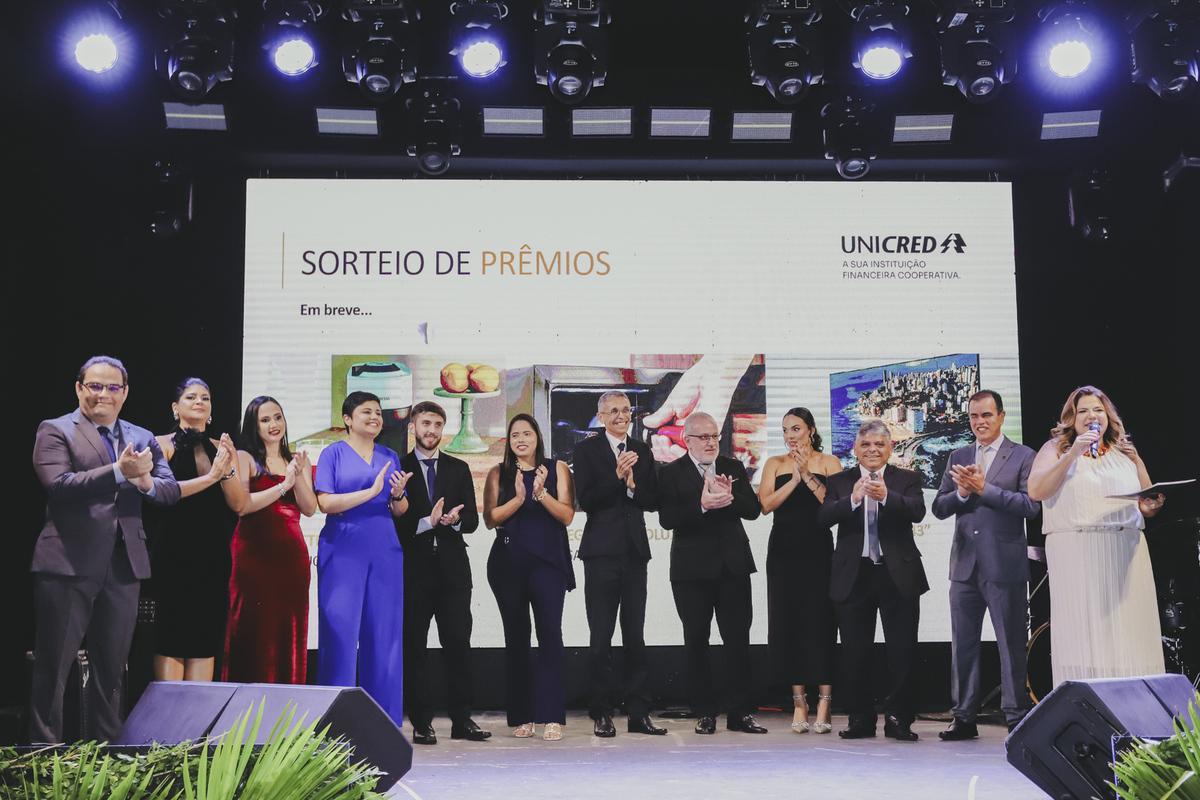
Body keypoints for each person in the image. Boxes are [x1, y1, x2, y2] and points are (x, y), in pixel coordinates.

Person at [30, 356, 180, 743]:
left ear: (125, 393)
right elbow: (59, 485)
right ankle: (42, 756)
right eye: (95, 386)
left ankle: (106, 756)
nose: (103, 394)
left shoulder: (141, 437)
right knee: (54, 667)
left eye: (113, 387)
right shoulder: (55, 430)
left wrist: (145, 482)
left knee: (112, 669)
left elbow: (169, 490)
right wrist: (119, 471)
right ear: (79, 388)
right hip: (67, 563)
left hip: (124, 565)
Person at [1028, 386, 1165, 687]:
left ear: (1108, 416)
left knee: (1129, 632)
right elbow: (1036, 490)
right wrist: (1073, 453)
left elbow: (1146, 502)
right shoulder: (1056, 448)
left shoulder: (1125, 451)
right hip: (1078, 550)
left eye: (1098, 410)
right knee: (1085, 631)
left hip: (1126, 550)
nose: (1092, 416)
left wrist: (1152, 505)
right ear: (1072, 418)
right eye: (1083, 411)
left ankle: (1136, 704)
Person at [931, 390, 1039, 739]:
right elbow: (939, 507)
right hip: (964, 565)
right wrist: (962, 493)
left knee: (1010, 645)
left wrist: (983, 489)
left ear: (1002, 416)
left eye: (987, 415)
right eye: (974, 416)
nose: (980, 422)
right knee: (963, 644)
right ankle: (963, 717)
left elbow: (1030, 506)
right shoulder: (958, 455)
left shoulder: (1024, 455)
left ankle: (1016, 716)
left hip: (1004, 565)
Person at [819, 418, 928, 741]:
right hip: (853, 575)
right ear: (855, 449)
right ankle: (860, 719)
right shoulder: (839, 481)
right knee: (855, 652)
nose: (872, 450)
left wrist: (886, 497)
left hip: (898, 575)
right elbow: (823, 517)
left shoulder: (907, 478)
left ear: (890, 448)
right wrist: (853, 499)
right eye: (865, 444)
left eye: (879, 444)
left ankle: (899, 719)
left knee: (902, 651)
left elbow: (918, 511)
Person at [658, 411, 766, 735]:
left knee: (738, 641)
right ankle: (705, 712)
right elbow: (667, 518)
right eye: (703, 437)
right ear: (687, 440)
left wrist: (730, 498)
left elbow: (753, 510)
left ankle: (739, 713)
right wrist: (703, 505)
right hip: (691, 572)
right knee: (696, 642)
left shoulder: (732, 467)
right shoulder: (671, 472)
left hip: (733, 566)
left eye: (714, 436)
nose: (711, 443)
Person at [316, 391, 411, 727]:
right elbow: (325, 503)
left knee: (384, 637)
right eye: (366, 411)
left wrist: (397, 495)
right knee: (339, 637)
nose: (374, 417)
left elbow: (400, 509)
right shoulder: (332, 454)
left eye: (378, 413)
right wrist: (370, 492)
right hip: (343, 548)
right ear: (347, 419)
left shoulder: (389, 455)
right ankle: (334, 725)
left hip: (384, 549)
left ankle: (382, 726)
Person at [397, 401, 489, 744]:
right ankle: (421, 722)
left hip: (453, 572)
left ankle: (462, 720)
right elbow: (396, 524)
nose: (431, 430)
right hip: (413, 572)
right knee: (414, 648)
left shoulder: (458, 468)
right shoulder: (399, 467)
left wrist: (455, 521)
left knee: (458, 646)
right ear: (413, 427)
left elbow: (473, 521)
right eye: (425, 423)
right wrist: (428, 522)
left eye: (437, 424)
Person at [575, 390, 665, 737]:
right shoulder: (586, 450)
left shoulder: (642, 450)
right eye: (613, 411)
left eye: (625, 410)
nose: (621, 416)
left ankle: (639, 713)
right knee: (601, 638)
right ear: (600, 417)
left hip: (634, 552)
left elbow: (652, 500)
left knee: (635, 637)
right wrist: (615, 477)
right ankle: (601, 712)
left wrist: (631, 486)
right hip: (600, 553)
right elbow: (587, 500)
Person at [483, 414, 576, 741]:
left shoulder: (557, 469)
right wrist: (519, 499)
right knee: (516, 638)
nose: (521, 440)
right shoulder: (498, 473)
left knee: (550, 634)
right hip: (508, 562)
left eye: (527, 434)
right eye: (514, 435)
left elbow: (567, 515)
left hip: (548, 562)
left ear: (538, 437)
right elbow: (490, 519)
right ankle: (522, 716)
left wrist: (540, 495)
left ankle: (552, 716)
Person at [148, 378, 244, 683]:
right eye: (191, 397)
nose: (199, 402)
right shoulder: (161, 444)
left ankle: (198, 714)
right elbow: (162, 494)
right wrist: (212, 476)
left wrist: (225, 471)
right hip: (174, 552)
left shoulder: (222, 449)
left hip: (212, 555)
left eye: (205, 397)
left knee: (205, 637)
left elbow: (238, 503)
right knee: (172, 635)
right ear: (176, 407)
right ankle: (169, 713)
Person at [757, 407, 841, 734]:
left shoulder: (829, 462)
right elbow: (765, 505)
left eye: (796, 429)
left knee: (821, 623)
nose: (790, 436)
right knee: (788, 625)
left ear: (811, 430)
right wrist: (793, 478)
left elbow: (835, 506)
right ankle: (799, 702)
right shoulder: (775, 463)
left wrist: (807, 475)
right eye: (785, 430)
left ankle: (825, 702)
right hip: (783, 554)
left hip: (819, 553)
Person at [223, 396, 318, 684]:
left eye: (278, 417)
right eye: (265, 420)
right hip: (255, 555)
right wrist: (283, 485)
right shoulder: (243, 457)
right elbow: (242, 506)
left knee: (289, 631)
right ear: (254, 425)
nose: (274, 424)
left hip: (292, 558)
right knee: (254, 630)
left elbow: (309, 509)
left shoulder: (297, 459)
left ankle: (286, 704)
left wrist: (296, 476)